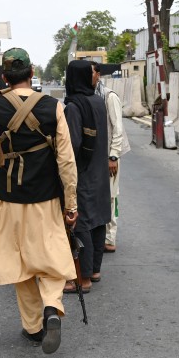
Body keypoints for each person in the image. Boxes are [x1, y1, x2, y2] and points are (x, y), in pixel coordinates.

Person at [0, 48, 78, 355]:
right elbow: (66, 160)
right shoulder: (54, 107)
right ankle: (52, 308)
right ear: (32, 72)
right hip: (46, 197)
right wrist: (71, 204)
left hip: (8, 198)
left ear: (4, 77)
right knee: (50, 258)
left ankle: (34, 327)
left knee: (19, 263)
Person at [63, 60, 111, 292]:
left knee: (80, 221)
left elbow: (71, 145)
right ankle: (94, 269)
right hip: (100, 170)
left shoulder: (74, 107)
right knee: (98, 220)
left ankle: (82, 279)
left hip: (82, 172)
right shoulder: (98, 101)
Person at [90, 61, 130, 254]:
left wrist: (113, 156)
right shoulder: (88, 96)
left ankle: (109, 237)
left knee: (111, 196)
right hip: (95, 158)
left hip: (109, 156)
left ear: (98, 74)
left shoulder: (109, 96)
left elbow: (118, 129)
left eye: (91, 73)